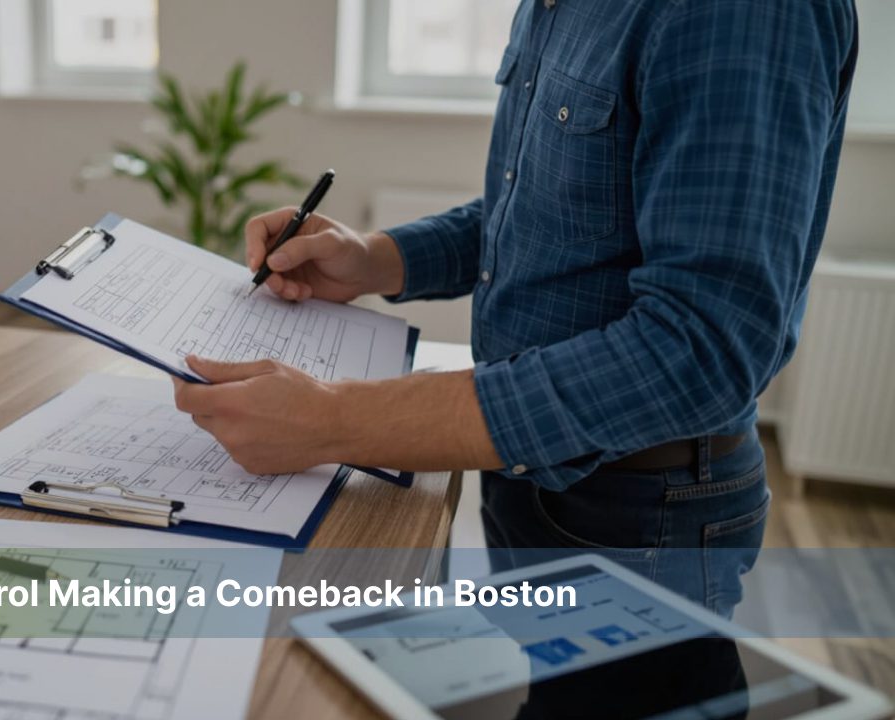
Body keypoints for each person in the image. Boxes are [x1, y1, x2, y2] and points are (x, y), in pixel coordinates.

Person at [172, 0, 858, 617]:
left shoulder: (742, 14)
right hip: (529, 475)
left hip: (643, 511)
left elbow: (700, 350)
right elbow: (539, 212)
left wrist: (336, 421)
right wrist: (376, 258)